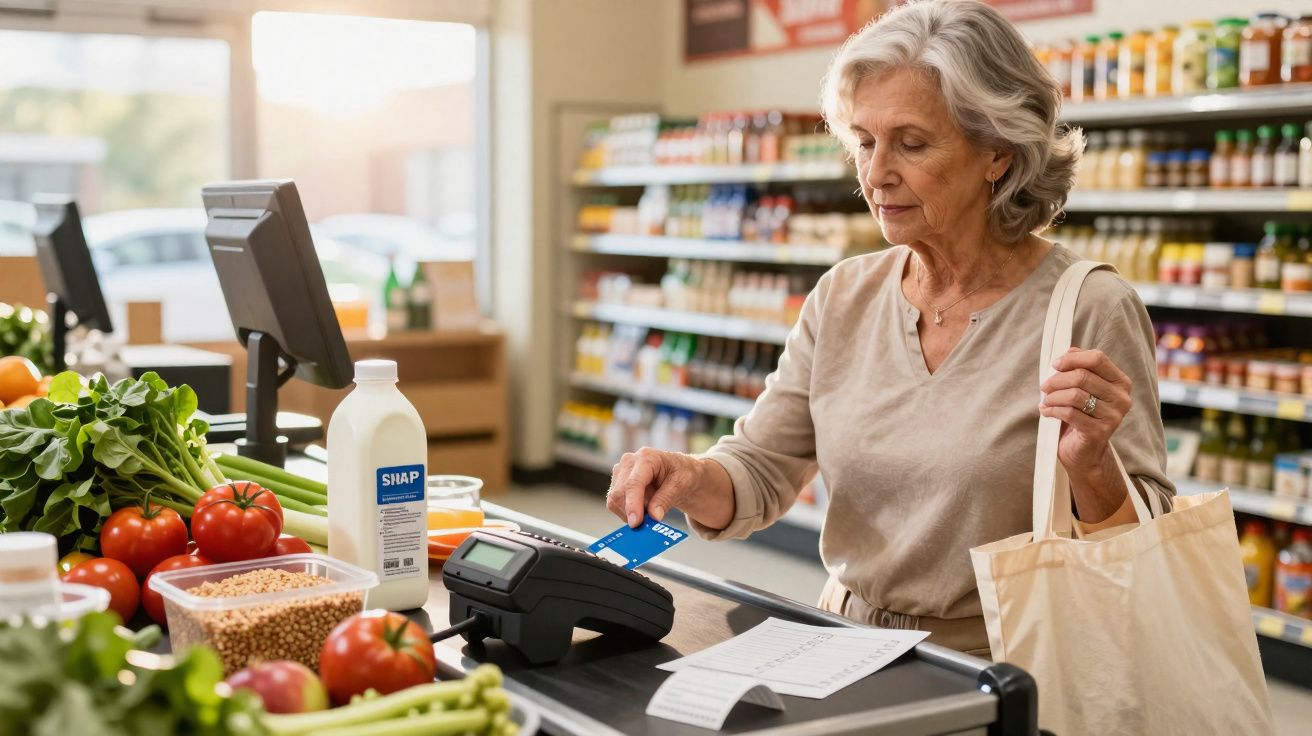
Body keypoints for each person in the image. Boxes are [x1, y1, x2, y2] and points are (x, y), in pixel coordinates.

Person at [604, 0, 1173, 657]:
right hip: (842, 646)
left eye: (911, 143)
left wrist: (1093, 467)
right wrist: (688, 476)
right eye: (866, 142)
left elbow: (1148, 554)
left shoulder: (1088, 308)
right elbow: (761, 470)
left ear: (996, 150)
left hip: (1007, 666)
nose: (875, 176)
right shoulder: (845, 295)